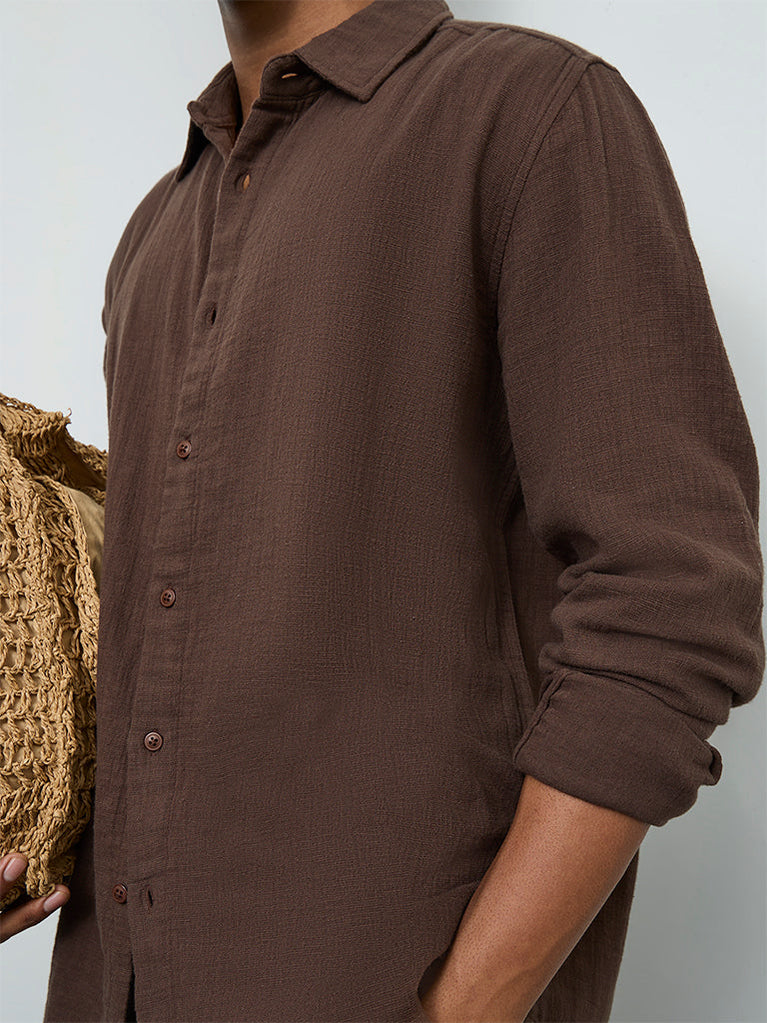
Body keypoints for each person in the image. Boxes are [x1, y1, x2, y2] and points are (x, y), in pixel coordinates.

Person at [2, 2, 763, 1021]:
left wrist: (462, 1008)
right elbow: (147, 663)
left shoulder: (529, 112)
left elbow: (672, 604)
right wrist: (27, 819)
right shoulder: (155, 232)